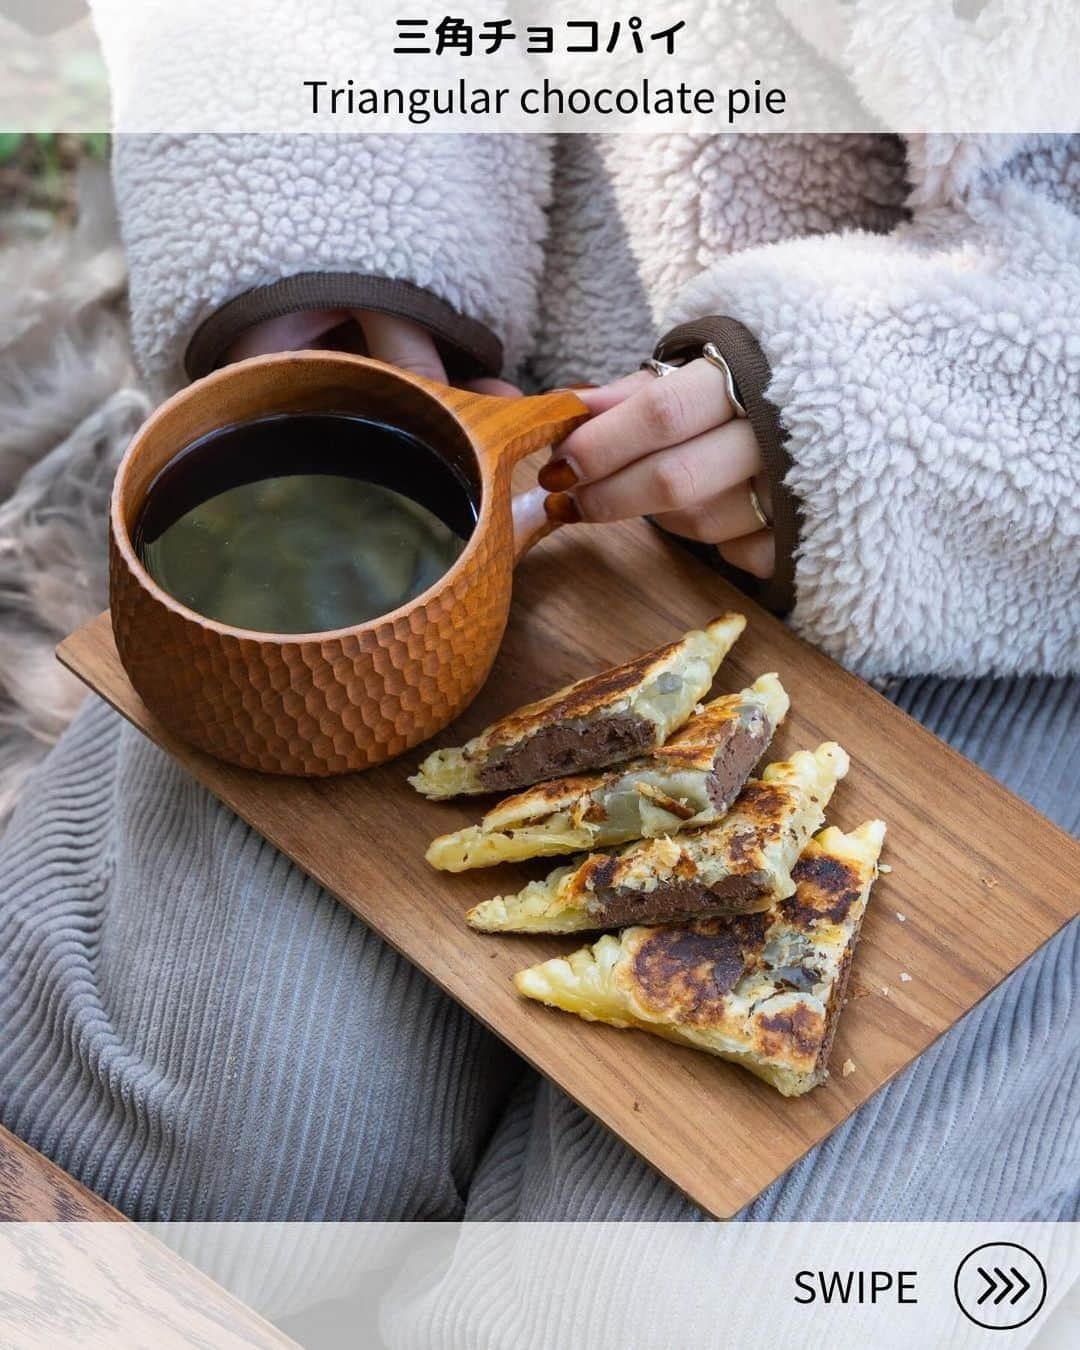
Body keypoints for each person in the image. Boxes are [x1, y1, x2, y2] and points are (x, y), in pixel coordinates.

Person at [1, 2, 1077, 1248]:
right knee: (187, 1139)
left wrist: (888, 421)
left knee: (646, 1314)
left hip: (1010, 572)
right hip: (501, 402)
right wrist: (335, 243)